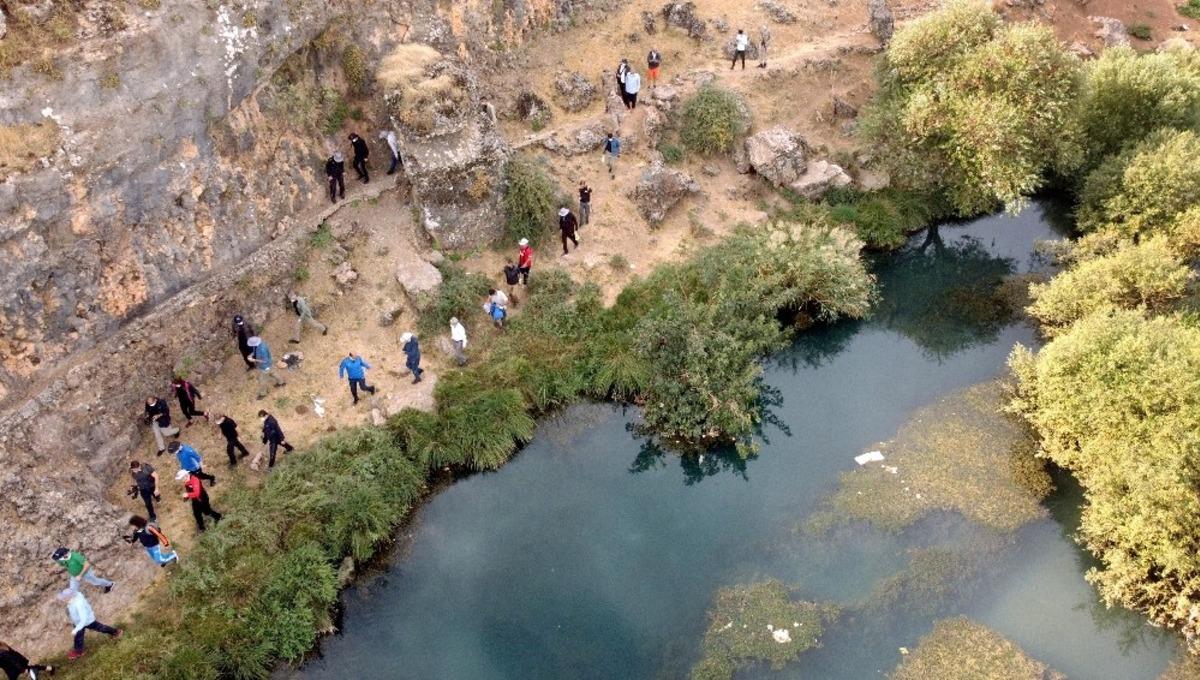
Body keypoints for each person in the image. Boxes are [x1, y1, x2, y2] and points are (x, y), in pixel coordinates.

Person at [60, 589, 120, 661]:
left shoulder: (79, 604)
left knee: (100, 628)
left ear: (70, 597)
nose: (63, 599)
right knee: (78, 636)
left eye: (64, 598)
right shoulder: (71, 601)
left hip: (87, 621)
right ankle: (78, 651)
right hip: (78, 623)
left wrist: (76, 629)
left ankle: (116, 632)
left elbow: (84, 618)